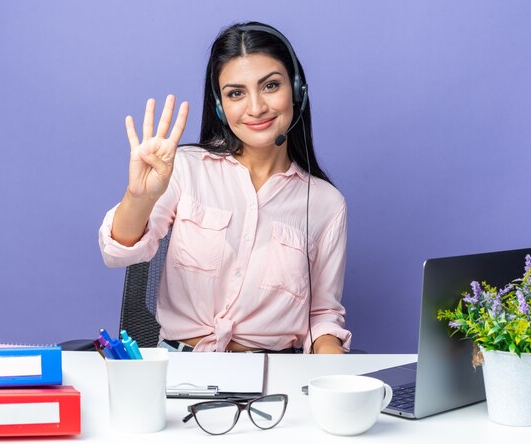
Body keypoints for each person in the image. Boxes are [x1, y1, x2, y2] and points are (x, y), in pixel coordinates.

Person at [99, 22, 351, 354]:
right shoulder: (186, 167)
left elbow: (322, 317)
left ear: (298, 90)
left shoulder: (325, 204)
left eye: (271, 86)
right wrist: (139, 197)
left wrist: (333, 380)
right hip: (181, 371)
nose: (256, 107)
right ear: (220, 106)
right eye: (236, 93)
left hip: (273, 379)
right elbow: (117, 253)